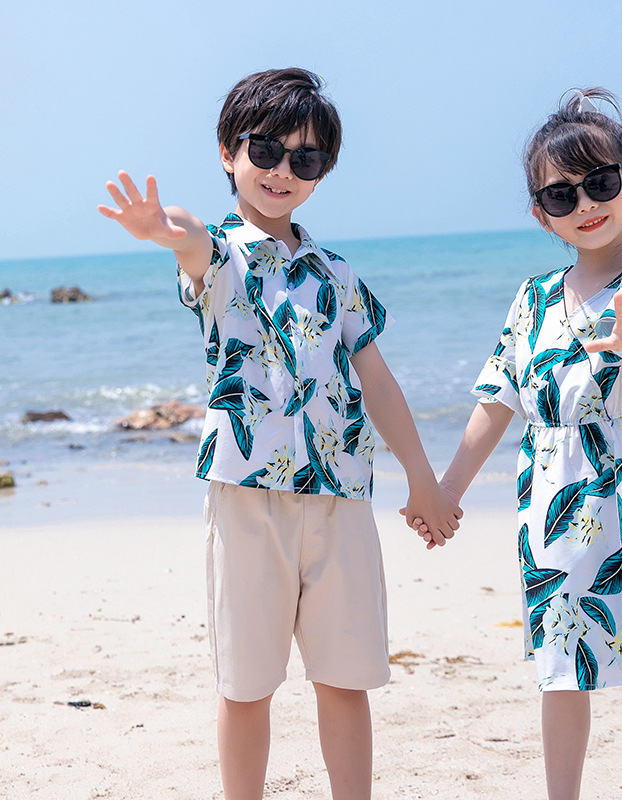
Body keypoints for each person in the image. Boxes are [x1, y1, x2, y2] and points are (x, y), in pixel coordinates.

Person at [98, 67, 461, 800]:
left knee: (346, 678)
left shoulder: (336, 271)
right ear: (230, 152)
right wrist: (166, 232)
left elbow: (379, 382)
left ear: (323, 173)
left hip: (341, 496)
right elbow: (192, 245)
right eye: (265, 149)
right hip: (247, 497)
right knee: (246, 684)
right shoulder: (224, 258)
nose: (281, 171)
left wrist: (423, 478)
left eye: (306, 159)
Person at [413, 88, 622, 800]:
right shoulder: (533, 297)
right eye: (561, 195)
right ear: (540, 213)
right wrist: (445, 493)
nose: (585, 203)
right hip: (549, 496)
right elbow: (497, 400)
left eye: (600, 182)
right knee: (561, 667)